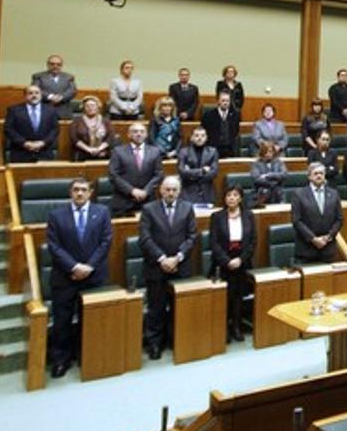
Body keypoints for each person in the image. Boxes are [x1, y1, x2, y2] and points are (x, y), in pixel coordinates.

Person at [45, 178, 113, 377]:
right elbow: (54, 246)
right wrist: (74, 266)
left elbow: (106, 241)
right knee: (62, 322)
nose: (80, 194)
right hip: (65, 277)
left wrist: (89, 266)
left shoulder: (102, 212)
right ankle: (61, 360)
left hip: (94, 276)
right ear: (70, 193)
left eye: (84, 190)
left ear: (91, 192)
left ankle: (90, 357)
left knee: (93, 319)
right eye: (76, 190)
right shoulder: (56, 215)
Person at [140, 177, 197, 358]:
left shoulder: (187, 208)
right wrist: (163, 259)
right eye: (167, 189)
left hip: (180, 266)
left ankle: (175, 341)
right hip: (156, 267)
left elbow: (192, 237)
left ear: (179, 191)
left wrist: (177, 258)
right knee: (156, 308)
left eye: (174, 189)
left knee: (178, 307)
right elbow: (145, 239)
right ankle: (155, 344)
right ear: (161, 190)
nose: (170, 193)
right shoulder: (149, 209)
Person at [208, 185, 256, 342]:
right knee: (225, 296)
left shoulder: (248, 216)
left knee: (238, 297)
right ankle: (224, 328)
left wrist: (241, 259)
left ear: (240, 198)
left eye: (235, 195)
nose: (232, 198)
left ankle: (236, 326)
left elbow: (253, 242)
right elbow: (214, 243)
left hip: (242, 262)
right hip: (222, 263)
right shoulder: (217, 216)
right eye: (229, 195)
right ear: (224, 198)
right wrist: (226, 261)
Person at [291, 162, 343, 263]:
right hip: (306, 250)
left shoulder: (334, 193)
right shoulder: (299, 194)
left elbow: (339, 219)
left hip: (328, 249)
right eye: (315, 173)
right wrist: (313, 239)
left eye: (321, 173)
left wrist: (329, 236)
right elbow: (297, 221)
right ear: (309, 176)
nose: (319, 176)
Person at [108, 123, 164, 217]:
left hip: (148, 200)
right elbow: (113, 175)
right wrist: (132, 190)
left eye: (142, 132)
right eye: (135, 131)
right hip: (123, 201)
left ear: (146, 135)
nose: (139, 134)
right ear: (129, 134)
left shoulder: (155, 151)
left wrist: (146, 191)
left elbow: (158, 174)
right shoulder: (118, 151)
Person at [5, 85, 59, 163]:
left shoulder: (51, 110)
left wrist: (43, 143)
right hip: (21, 152)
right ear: (25, 96)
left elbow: (55, 129)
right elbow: (9, 129)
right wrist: (25, 143)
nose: (34, 95)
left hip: (44, 152)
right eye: (30, 93)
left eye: (37, 93)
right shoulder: (14, 110)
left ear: (41, 95)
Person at [178, 126, 219, 205]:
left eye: (202, 136)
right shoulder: (183, 152)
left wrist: (190, 172)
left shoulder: (213, 152)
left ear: (206, 138)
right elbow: (182, 172)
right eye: (196, 135)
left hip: (207, 193)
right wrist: (202, 171)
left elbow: (214, 173)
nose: (199, 138)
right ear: (192, 138)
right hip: (188, 194)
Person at [32, 54, 76, 121]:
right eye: (52, 64)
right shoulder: (38, 76)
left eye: (58, 64)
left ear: (61, 65)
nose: (55, 66)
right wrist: (50, 97)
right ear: (47, 65)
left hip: (63, 112)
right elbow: (35, 90)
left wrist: (61, 97)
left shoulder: (68, 77)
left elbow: (72, 91)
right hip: (44, 110)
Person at [69, 95, 111, 161]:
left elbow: (110, 138)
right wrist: (88, 149)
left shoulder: (105, 121)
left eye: (93, 105)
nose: (90, 108)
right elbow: (74, 139)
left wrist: (99, 149)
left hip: (102, 153)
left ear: (98, 107)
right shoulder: (77, 121)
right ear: (83, 108)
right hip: (82, 153)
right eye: (87, 106)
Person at [201, 92, 241, 159]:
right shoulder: (208, 115)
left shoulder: (235, 115)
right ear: (218, 101)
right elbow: (204, 131)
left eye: (227, 101)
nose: (225, 103)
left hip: (229, 149)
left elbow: (236, 130)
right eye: (223, 100)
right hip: (213, 149)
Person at [250, 141, 287, 207]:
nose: (268, 154)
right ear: (262, 152)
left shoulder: (279, 162)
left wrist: (268, 175)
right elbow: (257, 179)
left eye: (270, 151)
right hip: (262, 194)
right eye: (266, 152)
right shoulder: (256, 164)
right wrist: (274, 181)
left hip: (278, 194)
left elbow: (284, 175)